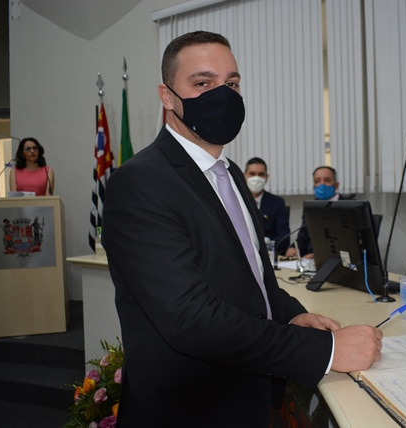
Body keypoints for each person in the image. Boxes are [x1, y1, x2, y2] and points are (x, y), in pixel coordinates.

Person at [101, 31, 382, 427]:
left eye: (231, 84)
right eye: (203, 83)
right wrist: (327, 351)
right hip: (189, 409)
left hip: (247, 396)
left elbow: (253, 278)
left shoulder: (230, 173)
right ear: (167, 97)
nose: (223, 95)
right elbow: (190, 319)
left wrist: (291, 316)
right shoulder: (140, 182)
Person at [285, 165, 354, 259]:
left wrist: (317, 255)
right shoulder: (310, 207)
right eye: (317, 181)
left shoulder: (348, 206)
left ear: (336, 185)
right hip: (309, 263)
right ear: (314, 186)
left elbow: (349, 242)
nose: (322, 184)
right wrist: (294, 249)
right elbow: (302, 238)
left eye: (327, 180)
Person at [244, 157, 290, 254]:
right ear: (244, 176)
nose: (256, 178)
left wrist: (267, 247)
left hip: (270, 254)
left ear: (266, 177)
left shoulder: (277, 203)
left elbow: (284, 238)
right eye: (252, 174)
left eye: (261, 174)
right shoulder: (237, 201)